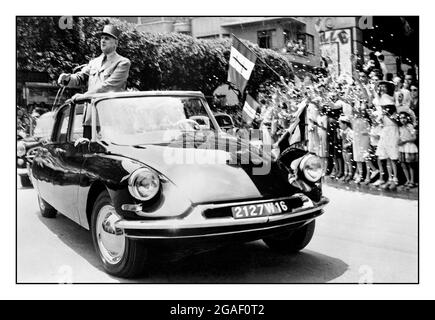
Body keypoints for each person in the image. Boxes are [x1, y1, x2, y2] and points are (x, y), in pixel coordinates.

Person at [57, 25, 131, 99]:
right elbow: (81, 78)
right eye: (102, 38)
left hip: (110, 107)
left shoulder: (123, 62)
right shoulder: (94, 62)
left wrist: (85, 96)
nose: (103, 41)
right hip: (91, 108)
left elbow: (110, 86)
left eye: (107, 38)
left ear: (116, 43)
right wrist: (68, 79)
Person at [398, 111, 418, 189]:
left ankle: (412, 181)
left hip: (409, 147)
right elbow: (400, 137)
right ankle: (407, 180)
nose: (402, 120)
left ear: (407, 118)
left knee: (410, 165)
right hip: (402, 147)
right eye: (401, 118)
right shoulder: (400, 128)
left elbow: (414, 138)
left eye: (404, 118)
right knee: (403, 164)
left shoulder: (410, 126)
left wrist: (406, 141)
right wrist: (399, 142)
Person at [339, 115, 353, 182]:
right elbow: (340, 138)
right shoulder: (342, 131)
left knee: (349, 162)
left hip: (348, 149)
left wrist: (347, 145)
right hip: (343, 148)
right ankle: (345, 174)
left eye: (340, 124)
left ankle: (350, 174)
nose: (339, 125)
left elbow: (352, 141)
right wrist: (338, 133)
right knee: (345, 162)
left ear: (345, 124)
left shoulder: (350, 132)